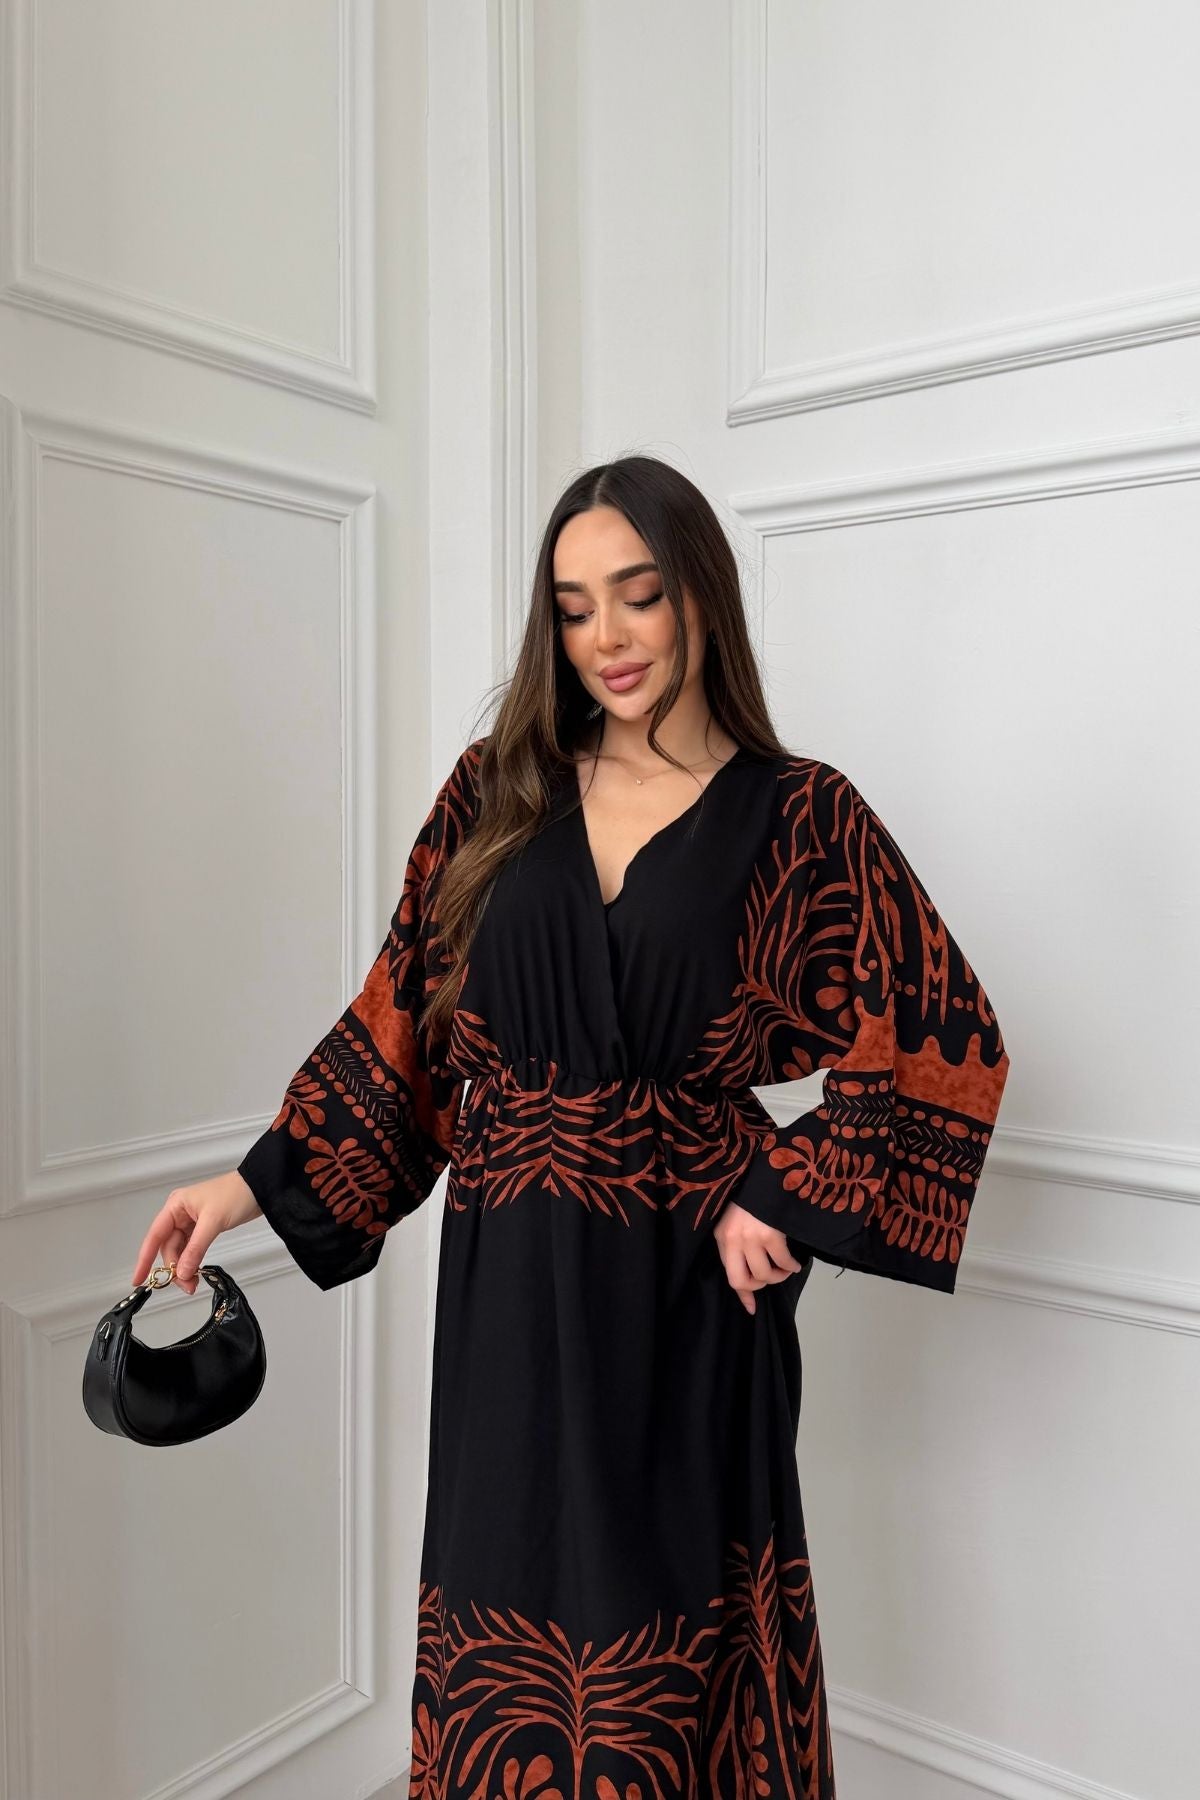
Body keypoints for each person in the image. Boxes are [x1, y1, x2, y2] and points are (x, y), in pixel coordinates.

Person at [132, 454, 1010, 1799]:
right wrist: (243, 1189)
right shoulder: (497, 791)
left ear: (701, 596)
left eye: (638, 596)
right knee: (508, 1619)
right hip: (510, 1288)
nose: (608, 637)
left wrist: (788, 1192)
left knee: (682, 1632)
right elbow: (403, 1024)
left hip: (689, 1292)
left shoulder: (797, 815)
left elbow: (943, 1032)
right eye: (575, 606)